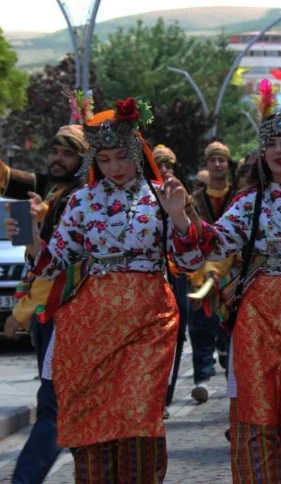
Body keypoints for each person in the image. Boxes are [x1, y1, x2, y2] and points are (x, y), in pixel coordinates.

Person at [5, 94, 196, 482]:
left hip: (149, 321)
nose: (115, 168)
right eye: (104, 159)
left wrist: (179, 217)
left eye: (122, 157)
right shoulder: (81, 201)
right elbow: (52, 263)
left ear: (137, 152)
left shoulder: (163, 197)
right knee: (91, 413)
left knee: (139, 410)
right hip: (88, 323)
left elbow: (190, 263)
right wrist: (30, 241)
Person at [167, 80, 281, 483]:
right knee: (256, 404)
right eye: (272, 143)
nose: (280, 150)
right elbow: (209, 248)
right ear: (263, 153)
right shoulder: (249, 201)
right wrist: (181, 217)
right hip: (259, 310)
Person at [2, 122, 88, 484]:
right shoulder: (49, 185)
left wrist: (20, 310)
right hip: (46, 309)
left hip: (72, 309)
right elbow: (6, 177)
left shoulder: (84, 197)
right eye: (54, 151)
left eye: (68, 153)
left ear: (84, 160)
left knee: (55, 401)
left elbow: (61, 265)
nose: (58, 159)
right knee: (67, 400)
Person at [187, 141, 237, 403]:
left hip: (234, 274)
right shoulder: (192, 201)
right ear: (206, 165)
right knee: (200, 327)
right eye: (212, 161)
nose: (217, 165)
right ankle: (202, 378)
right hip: (200, 273)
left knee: (233, 328)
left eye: (222, 160)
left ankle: (233, 381)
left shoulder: (240, 198)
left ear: (228, 164)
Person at [151, 144, 189, 417]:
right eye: (159, 165)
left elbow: (198, 237)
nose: (164, 171)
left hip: (179, 276)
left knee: (176, 333)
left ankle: (165, 395)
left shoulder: (183, 196)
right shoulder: (145, 197)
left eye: (168, 166)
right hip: (152, 280)